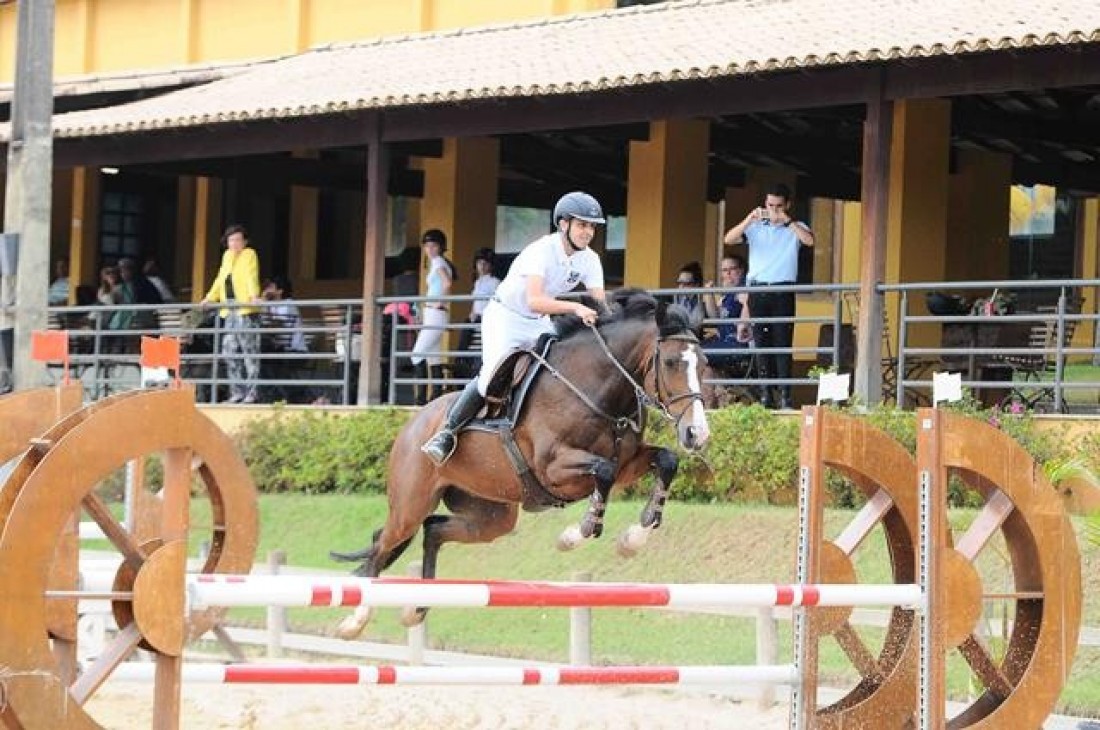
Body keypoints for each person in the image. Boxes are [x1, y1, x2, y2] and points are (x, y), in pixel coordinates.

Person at [421, 191, 606, 466]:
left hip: (539, 321)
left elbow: (600, 304)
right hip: (506, 317)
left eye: (592, 226)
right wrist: (576, 308)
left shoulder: (590, 259)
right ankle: (447, 432)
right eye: (582, 225)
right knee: (490, 377)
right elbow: (534, 300)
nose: (588, 232)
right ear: (563, 224)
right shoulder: (541, 251)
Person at [723, 183, 814, 409]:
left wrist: (787, 220)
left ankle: (785, 396)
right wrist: (749, 219)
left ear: (787, 205)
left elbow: (809, 241)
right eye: (770, 205)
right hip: (758, 290)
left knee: (782, 344)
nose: (774, 210)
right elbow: (729, 239)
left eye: (779, 206)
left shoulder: (796, 227)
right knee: (761, 343)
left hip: (783, 290)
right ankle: (765, 395)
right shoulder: (756, 227)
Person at [201, 224, 263, 404]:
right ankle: (237, 391)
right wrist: (209, 298)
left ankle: (252, 393)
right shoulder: (227, 256)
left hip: (245, 310)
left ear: (245, 242)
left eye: (238, 240)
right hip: (229, 310)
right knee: (228, 351)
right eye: (231, 240)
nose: (234, 243)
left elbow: (251, 275)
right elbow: (220, 279)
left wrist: (254, 296)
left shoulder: (249, 254)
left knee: (249, 352)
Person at [409, 229, 457, 405]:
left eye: (433, 246)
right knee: (433, 357)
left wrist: (440, 301)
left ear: (440, 247)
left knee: (417, 355)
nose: (429, 249)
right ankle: (434, 397)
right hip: (433, 314)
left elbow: (447, 283)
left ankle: (420, 399)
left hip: (435, 313)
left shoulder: (438, 262)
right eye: (427, 246)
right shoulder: (438, 262)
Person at [260, 275, 310, 403]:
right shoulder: (271, 305)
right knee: (261, 359)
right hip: (278, 350)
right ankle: (275, 396)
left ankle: (293, 396)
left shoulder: (288, 304)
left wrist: (264, 302)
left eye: (271, 287)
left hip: (295, 352)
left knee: (266, 360)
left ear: (280, 291)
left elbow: (276, 326)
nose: (267, 289)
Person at [702, 255, 752, 372]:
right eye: (724, 270)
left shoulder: (743, 288)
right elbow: (715, 317)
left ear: (741, 270)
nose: (728, 273)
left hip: (736, 344)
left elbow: (748, 302)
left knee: (695, 354)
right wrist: (709, 294)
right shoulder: (728, 294)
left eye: (732, 269)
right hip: (723, 341)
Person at [457, 247, 501, 376]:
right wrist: (472, 313)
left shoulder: (495, 282)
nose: (482, 266)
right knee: (467, 347)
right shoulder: (477, 282)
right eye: (479, 263)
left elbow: (496, 303)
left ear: (491, 265)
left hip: (486, 320)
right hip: (475, 320)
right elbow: (476, 302)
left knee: (480, 352)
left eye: (485, 263)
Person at [673, 261, 706, 333]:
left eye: (686, 284)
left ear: (697, 285)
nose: (681, 287)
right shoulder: (676, 298)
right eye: (679, 283)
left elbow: (696, 327)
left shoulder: (702, 301)